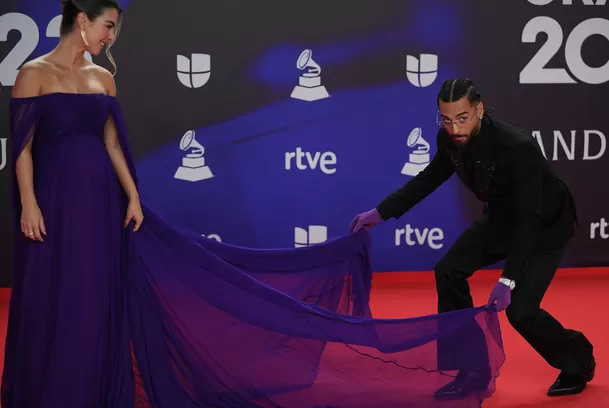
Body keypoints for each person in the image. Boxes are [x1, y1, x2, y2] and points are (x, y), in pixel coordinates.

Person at [1, 2, 505, 407]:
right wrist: (28, 202)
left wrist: (132, 195)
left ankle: (92, 389)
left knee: (97, 290)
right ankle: (49, 388)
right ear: (83, 20)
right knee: (54, 286)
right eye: (108, 26)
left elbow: (113, 143)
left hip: (102, 199)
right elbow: (22, 146)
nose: (111, 38)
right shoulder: (33, 73)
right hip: (53, 197)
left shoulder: (102, 79)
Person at [350, 78, 596, 399]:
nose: (454, 128)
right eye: (446, 119)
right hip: (500, 218)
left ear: (479, 110)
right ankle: (471, 370)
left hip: (544, 227)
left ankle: (578, 361)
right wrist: (380, 212)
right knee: (448, 270)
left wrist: (508, 280)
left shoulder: (517, 147)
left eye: (462, 118)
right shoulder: (449, 139)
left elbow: (529, 220)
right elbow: (429, 179)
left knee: (520, 311)